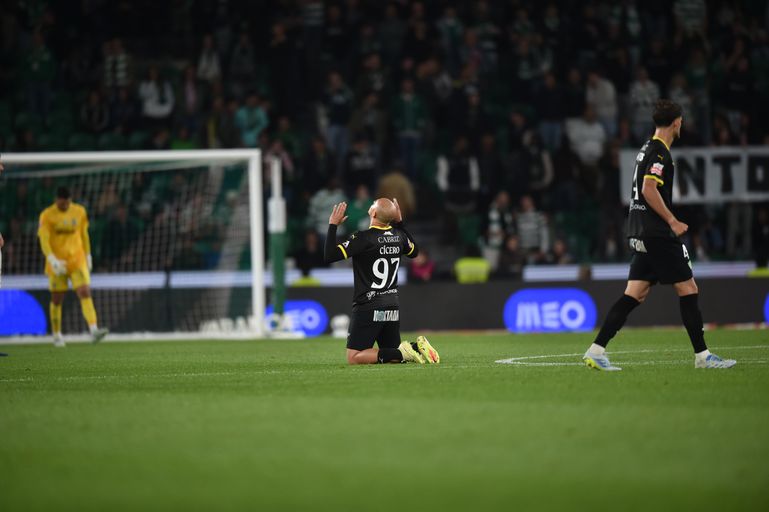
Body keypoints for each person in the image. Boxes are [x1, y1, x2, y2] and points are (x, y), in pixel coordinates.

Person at [583, 100, 735, 371]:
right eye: (681, 120)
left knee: (635, 294)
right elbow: (649, 188)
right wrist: (672, 220)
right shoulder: (660, 153)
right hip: (657, 234)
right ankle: (702, 356)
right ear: (676, 122)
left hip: (640, 231)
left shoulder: (645, 148)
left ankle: (596, 350)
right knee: (688, 288)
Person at [324, 198, 439, 365]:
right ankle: (414, 348)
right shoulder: (399, 236)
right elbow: (414, 252)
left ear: (374, 212)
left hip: (369, 305)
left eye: (373, 203)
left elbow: (330, 255)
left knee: (354, 357)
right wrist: (400, 223)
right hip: (392, 305)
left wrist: (333, 225)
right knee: (390, 357)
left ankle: (406, 353)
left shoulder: (363, 238)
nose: (371, 204)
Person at [38, 187, 108, 347]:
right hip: (57, 263)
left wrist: (88, 255)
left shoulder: (79, 211)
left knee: (84, 291)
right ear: (57, 200)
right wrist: (51, 259)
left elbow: (84, 234)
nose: (65, 206)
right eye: (62, 203)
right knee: (57, 299)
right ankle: (56, 334)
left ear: (70, 200)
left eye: (67, 203)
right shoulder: (47, 215)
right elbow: (44, 239)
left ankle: (93, 329)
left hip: (77, 260)